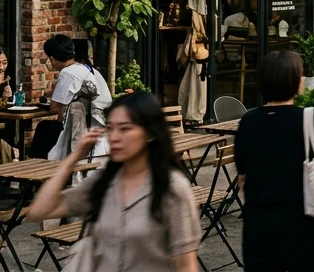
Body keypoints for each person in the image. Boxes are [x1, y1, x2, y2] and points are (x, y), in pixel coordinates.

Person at [27, 92, 199, 271]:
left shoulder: (172, 188)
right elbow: (39, 211)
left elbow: (186, 266)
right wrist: (74, 157)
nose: (114, 137)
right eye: (110, 128)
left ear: (149, 133)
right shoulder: (103, 182)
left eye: (124, 129)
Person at [236, 50, 314, 271]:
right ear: (293, 81)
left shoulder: (248, 121)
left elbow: (243, 176)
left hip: (257, 221)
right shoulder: (308, 118)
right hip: (300, 220)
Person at [40, 34, 112, 161]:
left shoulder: (68, 72)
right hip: (100, 123)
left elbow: (55, 108)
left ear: (52, 59)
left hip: (87, 125)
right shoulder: (84, 68)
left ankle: (36, 164)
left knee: (43, 128)